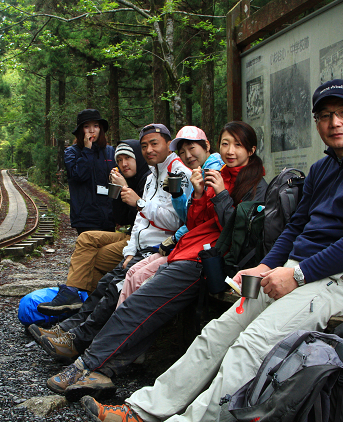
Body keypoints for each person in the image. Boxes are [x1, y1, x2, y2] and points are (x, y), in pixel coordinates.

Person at [82, 79, 343, 422]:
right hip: (298, 270)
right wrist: (266, 266)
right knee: (216, 334)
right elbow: (295, 226)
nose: (335, 122)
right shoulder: (323, 168)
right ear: (317, 122)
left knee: (253, 343)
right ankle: (143, 410)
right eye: (326, 115)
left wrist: (296, 274)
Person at [47, 121, 268, 402]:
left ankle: (87, 363)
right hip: (188, 250)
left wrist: (222, 194)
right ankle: (103, 368)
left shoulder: (256, 186)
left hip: (210, 261)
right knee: (139, 297)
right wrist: (199, 196)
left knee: (142, 301)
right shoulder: (216, 174)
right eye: (226, 143)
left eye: (237, 145)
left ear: (251, 149)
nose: (230, 150)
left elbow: (238, 234)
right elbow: (196, 222)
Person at [31, 124, 192, 364]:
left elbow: (175, 220)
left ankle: (77, 341)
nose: (148, 149)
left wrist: (138, 202)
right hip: (139, 248)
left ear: (168, 144)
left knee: (112, 289)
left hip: (159, 249)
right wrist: (129, 250)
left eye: (154, 143)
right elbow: (136, 221)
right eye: (145, 145)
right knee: (106, 284)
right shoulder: (152, 175)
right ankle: (68, 328)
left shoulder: (176, 173)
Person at [37, 140, 151, 315]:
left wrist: (127, 189)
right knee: (86, 238)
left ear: (139, 157)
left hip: (143, 239)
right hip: (130, 235)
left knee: (94, 258)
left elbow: (147, 218)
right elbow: (120, 218)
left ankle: (92, 304)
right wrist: (116, 189)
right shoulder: (131, 180)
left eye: (128, 158)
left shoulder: (148, 180)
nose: (123, 164)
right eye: (119, 160)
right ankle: (73, 292)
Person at [119, 126, 225, 306]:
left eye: (192, 148)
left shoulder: (212, 173)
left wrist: (176, 235)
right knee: (127, 275)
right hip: (164, 244)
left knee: (133, 278)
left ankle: (115, 327)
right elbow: (189, 217)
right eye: (182, 151)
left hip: (198, 250)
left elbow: (199, 220)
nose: (188, 155)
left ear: (207, 146)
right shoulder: (193, 174)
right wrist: (177, 196)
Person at [64, 109, 116, 235]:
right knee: (89, 252)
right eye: (87, 126)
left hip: (108, 216)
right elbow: (78, 176)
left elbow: (117, 182)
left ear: (101, 129)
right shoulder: (72, 152)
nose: (92, 130)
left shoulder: (110, 151)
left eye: (96, 126)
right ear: (81, 130)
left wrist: (118, 213)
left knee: (106, 254)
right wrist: (88, 149)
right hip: (85, 217)